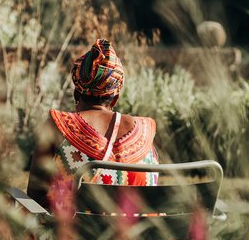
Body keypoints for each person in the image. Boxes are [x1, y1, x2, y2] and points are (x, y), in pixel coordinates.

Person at [26, 38, 159, 209]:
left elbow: (34, 197)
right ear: (115, 97)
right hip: (139, 235)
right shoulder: (146, 132)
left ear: (76, 94)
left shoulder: (57, 126)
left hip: (71, 236)